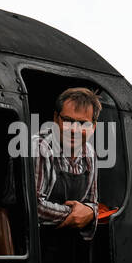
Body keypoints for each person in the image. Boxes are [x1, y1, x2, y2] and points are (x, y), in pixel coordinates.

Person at [32, 87, 101, 240]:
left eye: (83, 123)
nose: (74, 129)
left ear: (93, 127)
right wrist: (78, 214)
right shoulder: (40, 147)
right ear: (56, 118)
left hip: (69, 244)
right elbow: (34, 206)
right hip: (35, 241)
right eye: (68, 120)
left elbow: (92, 203)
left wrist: (90, 212)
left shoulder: (90, 154)